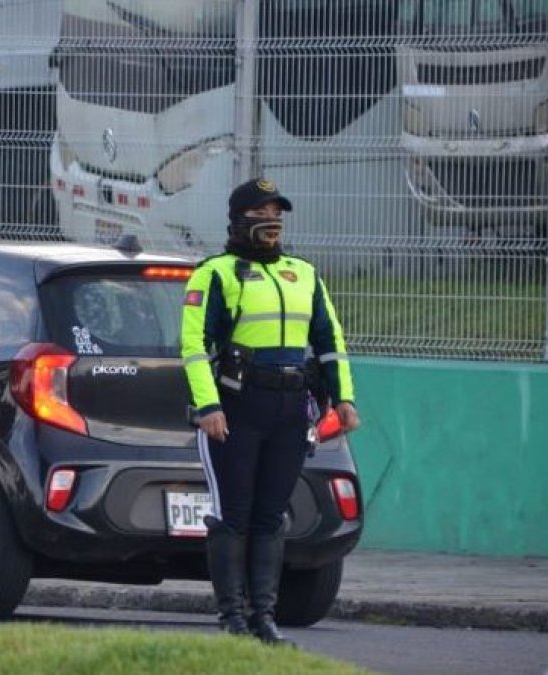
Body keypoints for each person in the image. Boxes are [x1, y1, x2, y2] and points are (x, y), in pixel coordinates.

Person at [180, 178, 360, 645]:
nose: (271, 220)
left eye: (277, 212)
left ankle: (264, 618)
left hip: (288, 410)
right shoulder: (215, 273)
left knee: (271, 516)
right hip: (236, 409)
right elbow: (194, 347)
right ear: (240, 219)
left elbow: (329, 342)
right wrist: (208, 406)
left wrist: (344, 397)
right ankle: (232, 619)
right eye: (262, 212)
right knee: (232, 516)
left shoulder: (304, 273)